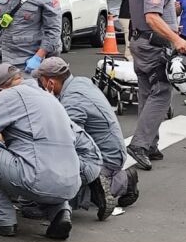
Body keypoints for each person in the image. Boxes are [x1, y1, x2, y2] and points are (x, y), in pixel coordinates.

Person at [0, 63, 81, 240]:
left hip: (37, 178)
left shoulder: (10, 95)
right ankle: (60, 211)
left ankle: (2, 219)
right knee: (48, 161)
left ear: (0, 88)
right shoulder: (49, 97)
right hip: (71, 183)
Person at [33, 56, 138, 213]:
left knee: (59, 189)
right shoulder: (79, 82)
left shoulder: (73, 102)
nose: (40, 86)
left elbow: (67, 142)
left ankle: (120, 182)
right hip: (109, 150)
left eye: (41, 82)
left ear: (50, 83)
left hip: (106, 158)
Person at [126, 0, 186, 171]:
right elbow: (152, 17)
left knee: (146, 94)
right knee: (162, 94)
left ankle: (150, 144)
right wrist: (176, 39)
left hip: (140, 41)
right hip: (153, 45)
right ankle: (140, 144)